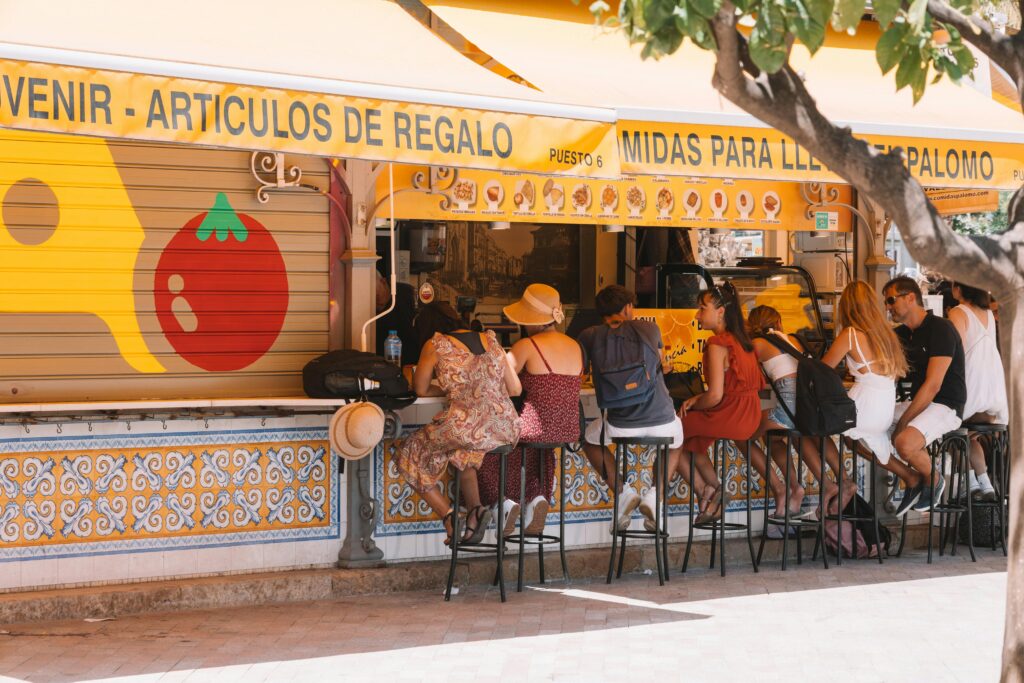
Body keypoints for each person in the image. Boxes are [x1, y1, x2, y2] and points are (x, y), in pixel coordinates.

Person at [396, 301, 522, 546]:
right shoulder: (491, 339)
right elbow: (515, 388)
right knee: (463, 454)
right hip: (505, 426)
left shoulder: (435, 344)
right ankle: (476, 511)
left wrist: (449, 388)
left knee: (408, 454)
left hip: (467, 426)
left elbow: (419, 387)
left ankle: (449, 515)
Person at [578, 285, 685, 533]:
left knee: (589, 440)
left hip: (620, 426)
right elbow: (660, 363)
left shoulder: (590, 335)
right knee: (676, 442)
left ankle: (624, 492)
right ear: (628, 307)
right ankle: (655, 496)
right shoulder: (649, 328)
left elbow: (580, 371)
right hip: (661, 419)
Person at [478, 284, 582, 536]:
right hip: (567, 429)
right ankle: (536, 497)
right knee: (538, 450)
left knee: (482, 450)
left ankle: (502, 503)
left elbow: (500, 379)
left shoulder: (528, 345)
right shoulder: (575, 345)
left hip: (533, 428)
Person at [679, 282, 764, 524]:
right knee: (691, 440)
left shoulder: (717, 344)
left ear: (720, 312)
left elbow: (715, 396)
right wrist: (699, 399)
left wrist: (694, 402)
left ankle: (704, 490)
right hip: (749, 415)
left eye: (701, 308)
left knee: (672, 433)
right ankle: (715, 491)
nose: (697, 314)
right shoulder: (744, 341)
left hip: (730, 414)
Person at [882, 276, 966, 515]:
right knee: (857, 433)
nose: (888, 307)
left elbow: (933, 386)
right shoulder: (899, 335)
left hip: (945, 404)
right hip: (917, 403)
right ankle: (911, 478)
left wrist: (904, 422)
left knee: (904, 443)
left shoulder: (941, 328)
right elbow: (890, 373)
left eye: (891, 300)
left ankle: (935, 478)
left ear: (910, 298)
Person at [821, 281, 906, 506]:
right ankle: (906, 475)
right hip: (884, 409)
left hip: (863, 407)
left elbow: (822, 370)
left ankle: (843, 481)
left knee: (812, 429)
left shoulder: (850, 334)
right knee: (851, 441)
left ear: (846, 306)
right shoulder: (887, 333)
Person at [747, 305, 825, 520]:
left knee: (743, 435)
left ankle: (782, 487)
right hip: (806, 409)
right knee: (772, 439)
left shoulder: (757, 344)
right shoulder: (793, 340)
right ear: (778, 322)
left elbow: (748, 379)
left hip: (787, 409)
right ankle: (794, 488)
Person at [948, 281, 1007, 502]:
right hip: (993, 400)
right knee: (967, 435)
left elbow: (956, 353)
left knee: (949, 430)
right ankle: (986, 485)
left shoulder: (959, 311)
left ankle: (970, 483)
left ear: (959, 289)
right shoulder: (988, 314)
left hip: (972, 395)